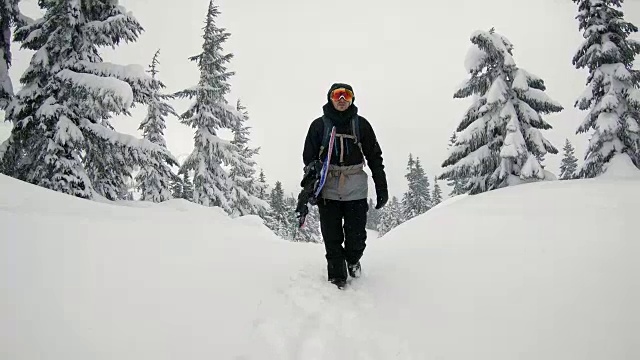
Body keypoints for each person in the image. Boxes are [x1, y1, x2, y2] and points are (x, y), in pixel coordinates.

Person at [296, 83, 388, 289]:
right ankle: (337, 279)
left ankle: (353, 260)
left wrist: (381, 186)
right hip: (327, 188)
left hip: (355, 186)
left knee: (357, 237)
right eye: (337, 95)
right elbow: (308, 159)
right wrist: (309, 186)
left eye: (346, 95)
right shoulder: (318, 126)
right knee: (332, 236)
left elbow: (374, 156)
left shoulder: (361, 125)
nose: (341, 99)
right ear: (330, 98)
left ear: (352, 99)